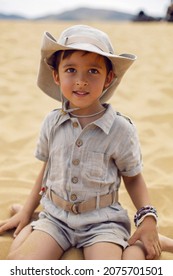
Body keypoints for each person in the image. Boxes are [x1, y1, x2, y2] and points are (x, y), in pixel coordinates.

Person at [0, 25, 172, 260]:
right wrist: (27, 210)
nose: (81, 81)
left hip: (102, 223)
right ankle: (31, 220)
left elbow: (133, 178)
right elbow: (47, 171)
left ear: (108, 78)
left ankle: (136, 245)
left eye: (93, 71)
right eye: (71, 70)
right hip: (56, 219)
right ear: (56, 76)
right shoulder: (52, 122)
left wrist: (148, 218)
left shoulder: (120, 129)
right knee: (19, 264)